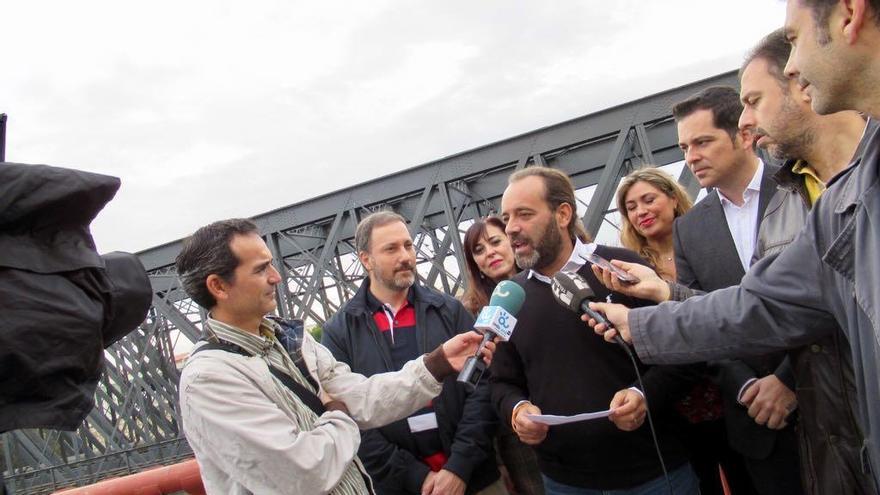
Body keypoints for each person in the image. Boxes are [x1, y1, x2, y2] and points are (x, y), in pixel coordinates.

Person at [587, 0, 880, 484]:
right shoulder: (833, 206)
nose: (793, 65)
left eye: (793, 39)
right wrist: (647, 315)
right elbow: (758, 306)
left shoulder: (816, 197)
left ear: (850, 14)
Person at [176, 218, 496, 495]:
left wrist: (437, 363)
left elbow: (363, 396)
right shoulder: (208, 379)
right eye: (261, 269)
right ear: (218, 286)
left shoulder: (291, 340)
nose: (277, 277)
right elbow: (304, 472)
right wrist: (340, 414)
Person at [490, 166, 700, 494]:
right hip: (564, 482)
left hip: (654, 473)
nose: (512, 228)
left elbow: (683, 353)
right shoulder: (508, 297)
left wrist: (643, 395)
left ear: (562, 214)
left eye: (524, 214)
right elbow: (501, 382)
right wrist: (516, 411)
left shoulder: (623, 269)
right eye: (506, 218)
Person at [738, 28, 876, 494]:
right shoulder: (777, 210)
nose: (745, 120)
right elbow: (761, 308)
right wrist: (663, 298)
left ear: (799, 82)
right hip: (830, 449)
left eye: (753, 100)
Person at [671, 86, 803, 495]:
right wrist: (746, 386)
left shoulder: (801, 187)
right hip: (756, 423)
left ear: (744, 136)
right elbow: (700, 322)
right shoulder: (688, 229)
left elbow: (833, 293)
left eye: (703, 141)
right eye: (684, 146)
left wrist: (788, 381)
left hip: (831, 397)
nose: (691, 156)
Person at [322, 211, 505, 495]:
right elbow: (345, 416)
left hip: (475, 479)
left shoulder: (450, 310)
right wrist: (414, 477)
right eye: (391, 248)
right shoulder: (339, 332)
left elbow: (482, 387)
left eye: (408, 245)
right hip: (399, 487)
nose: (406, 256)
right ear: (365, 259)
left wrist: (459, 467)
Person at [618, 168, 742, 494]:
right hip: (678, 406)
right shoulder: (629, 271)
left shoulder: (710, 243)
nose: (641, 212)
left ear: (673, 198)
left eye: (648, 200)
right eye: (631, 207)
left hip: (735, 386)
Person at [460, 216, 545, 495]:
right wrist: (497, 461)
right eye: (479, 250)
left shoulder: (548, 286)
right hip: (517, 435)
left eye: (495, 242)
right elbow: (479, 390)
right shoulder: (471, 312)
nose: (490, 253)